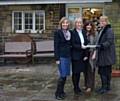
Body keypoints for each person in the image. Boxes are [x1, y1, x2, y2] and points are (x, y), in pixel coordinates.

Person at [95, 16, 116, 94]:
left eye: (104, 21)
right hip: (104, 54)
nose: (102, 23)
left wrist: (101, 46)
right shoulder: (103, 29)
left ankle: (104, 88)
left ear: (107, 22)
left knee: (104, 72)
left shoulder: (109, 30)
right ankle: (107, 87)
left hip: (106, 55)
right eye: (101, 21)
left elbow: (109, 41)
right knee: (106, 71)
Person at [54, 17, 72, 100]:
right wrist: (57, 58)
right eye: (63, 23)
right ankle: (57, 93)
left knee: (65, 76)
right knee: (62, 75)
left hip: (68, 56)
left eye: (66, 23)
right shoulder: (58, 32)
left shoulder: (69, 32)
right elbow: (56, 46)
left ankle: (62, 91)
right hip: (61, 57)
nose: (65, 24)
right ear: (61, 24)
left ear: (68, 24)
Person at [71, 17, 89, 95]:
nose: (79, 24)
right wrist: (80, 47)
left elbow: (86, 43)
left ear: (82, 24)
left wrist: (86, 54)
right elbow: (72, 44)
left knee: (81, 72)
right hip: (75, 56)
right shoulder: (72, 32)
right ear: (75, 24)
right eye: (77, 23)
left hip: (82, 56)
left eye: (80, 23)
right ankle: (76, 88)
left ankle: (78, 87)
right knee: (76, 73)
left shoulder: (84, 32)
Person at [83, 21, 96, 93]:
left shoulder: (95, 34)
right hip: (85, 54)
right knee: (85, 70)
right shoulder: (83, 33)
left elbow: (96, 44)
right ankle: (86, 84)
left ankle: (90, 86)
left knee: (91, 70)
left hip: (92, 54)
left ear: (92, 26)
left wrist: (95, 54)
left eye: (90, 25)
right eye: (87, 25)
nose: (88, 26)